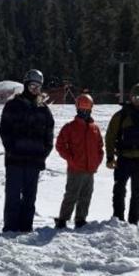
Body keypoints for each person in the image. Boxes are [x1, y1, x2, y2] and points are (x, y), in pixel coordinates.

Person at [0, 69, 54, 232]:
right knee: (13, 196)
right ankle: (10, 227)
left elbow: (49, 135)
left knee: (30, 197)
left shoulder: (43, 109)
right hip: (15, 160)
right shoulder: (13, 105)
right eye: (32, 86)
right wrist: (11, 149)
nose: (35, 89)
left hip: (34, 160)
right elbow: (4, 131)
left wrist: (43, 153)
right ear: (25, 85)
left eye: (38, 86)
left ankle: (26, 227)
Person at [104, 83, 139, 225]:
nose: (138, 100)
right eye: (136, 97)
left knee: (137, 193)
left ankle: (133, 222)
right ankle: (118, 219)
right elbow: (110, 137)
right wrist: (110, 157)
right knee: (119, 190)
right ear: (130, 97)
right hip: (123, 159)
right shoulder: (121, 115)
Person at [54, 94, 103, 229]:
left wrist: (97, 161)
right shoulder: (70, 127)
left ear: (91, 109)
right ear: (77, 109)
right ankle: (63, 220)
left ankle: (80, 219)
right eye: (82, 110)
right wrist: (71, 159)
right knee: (71, 195)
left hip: (90, 169)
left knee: (86, 195)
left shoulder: (95, 128)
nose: (84, 113)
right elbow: (60, 145)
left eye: (87, 110)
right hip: (76, 169)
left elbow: (100, 147)